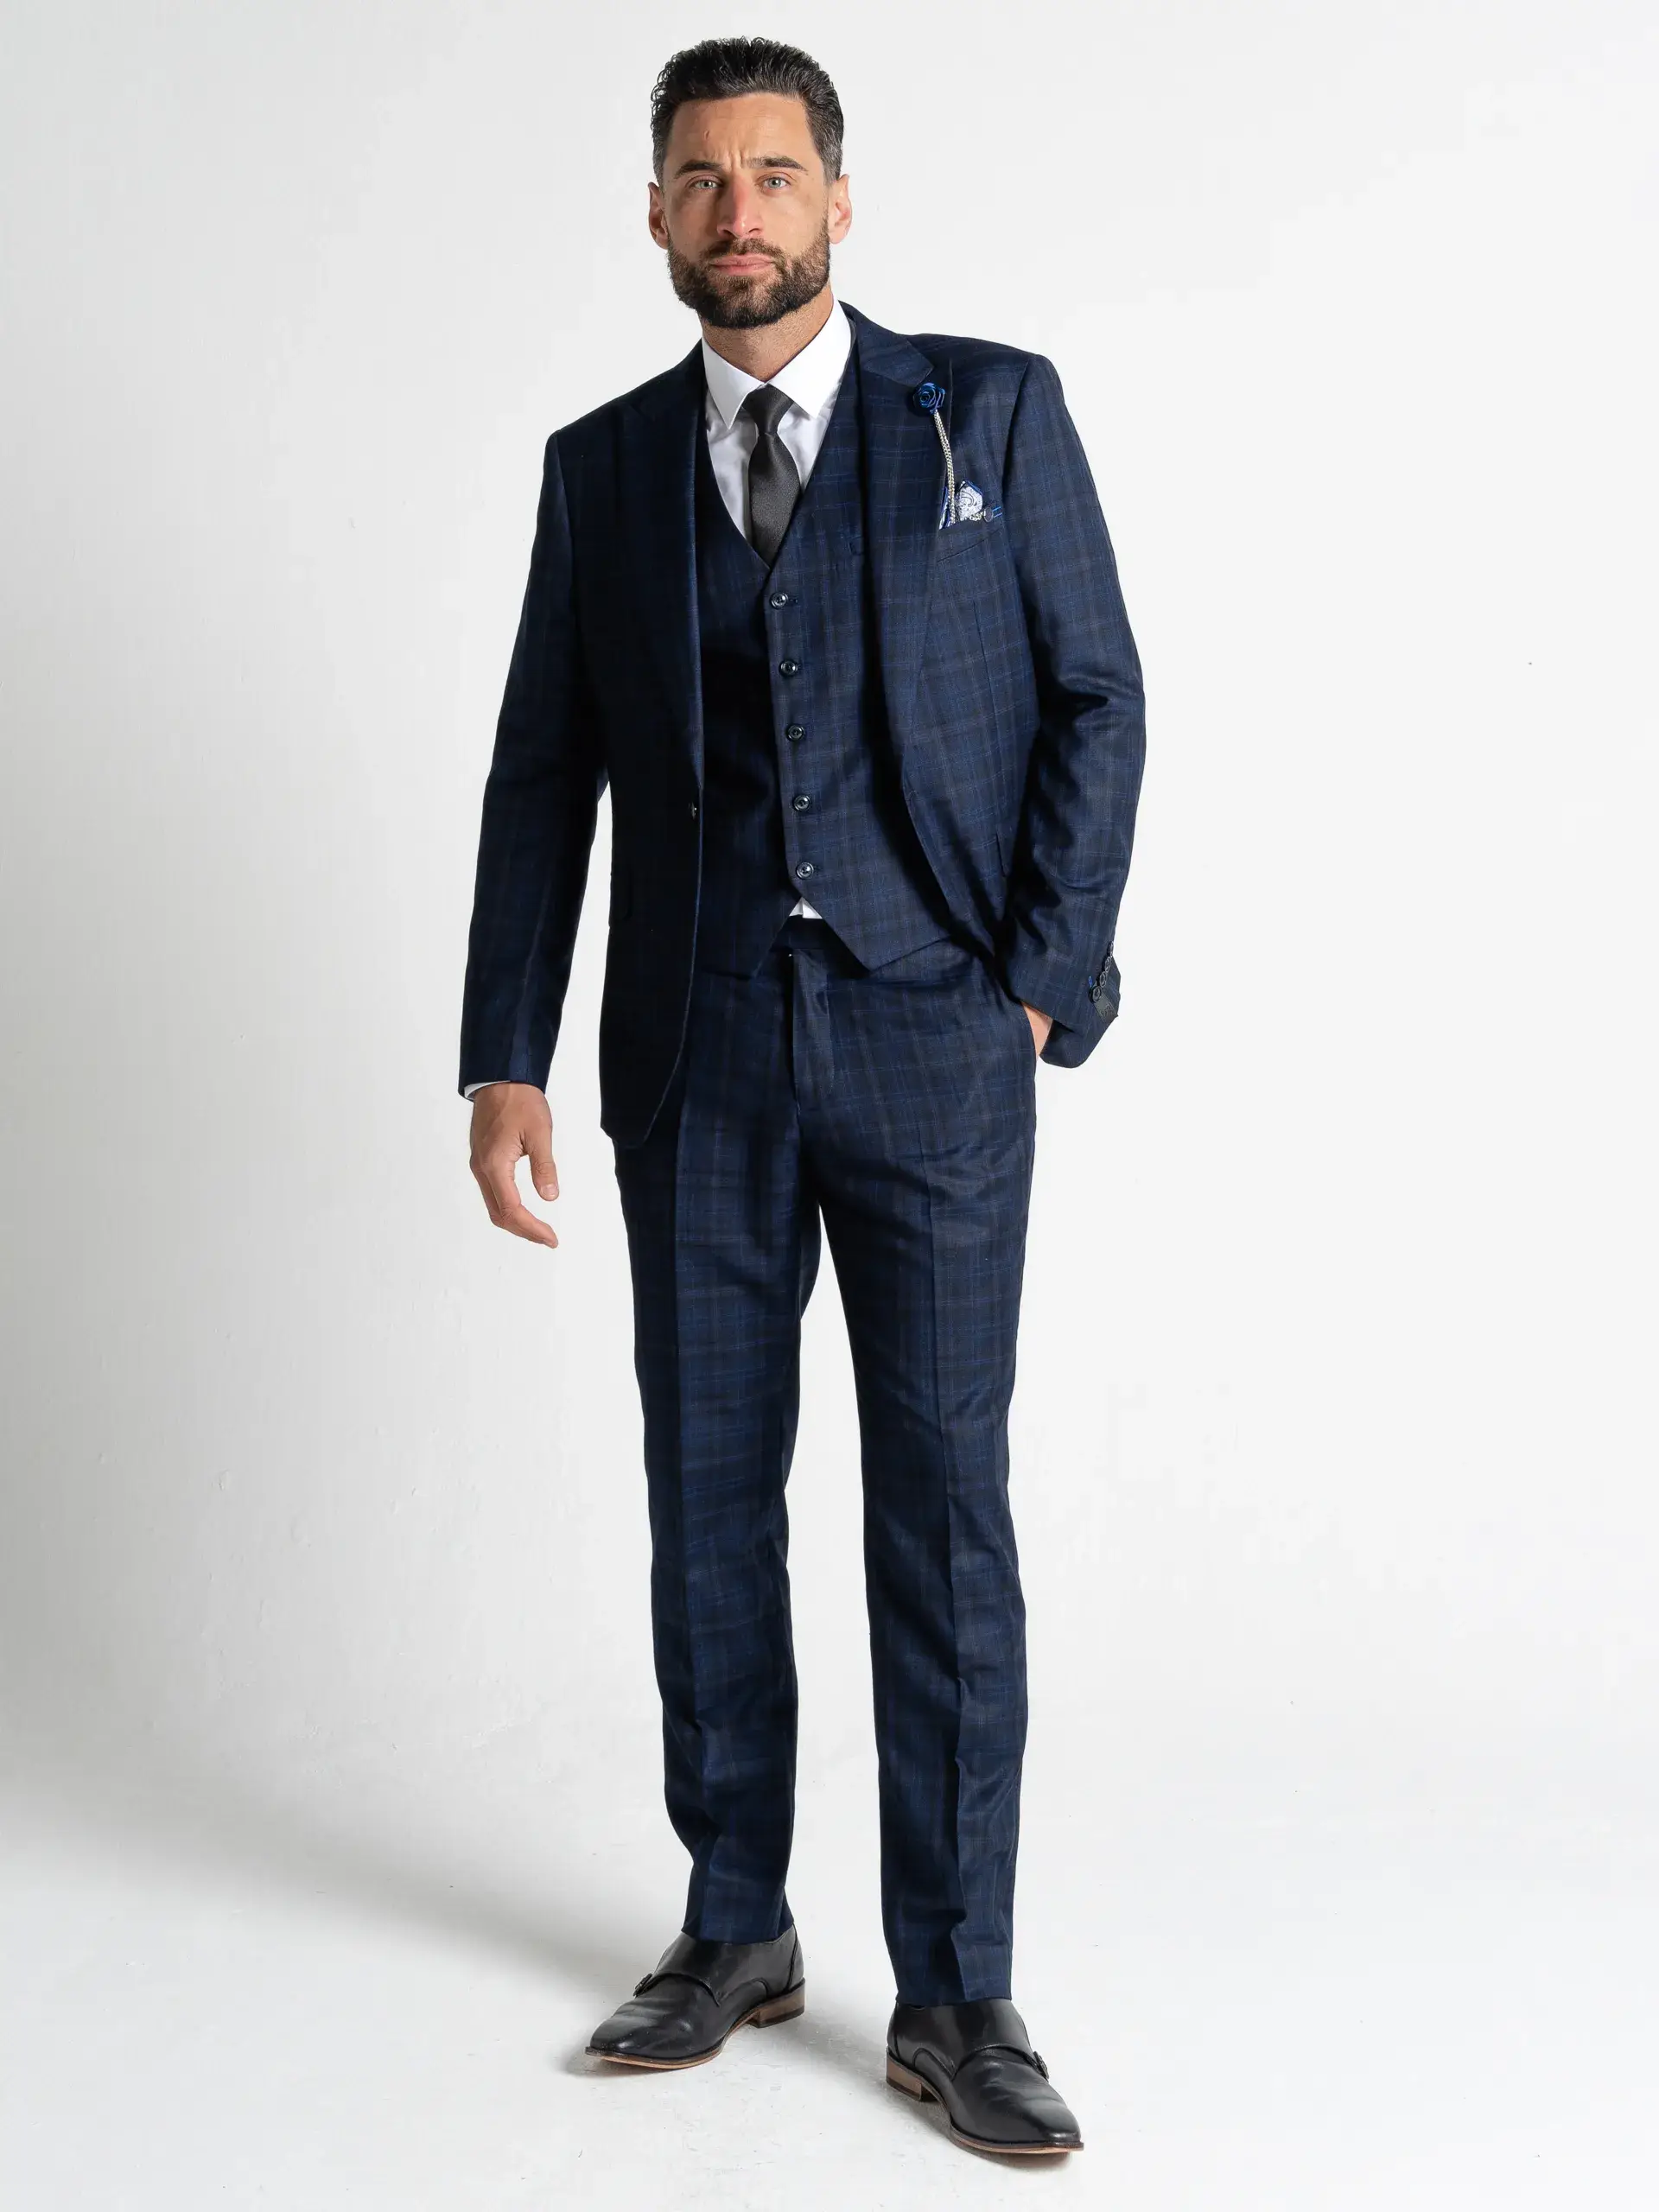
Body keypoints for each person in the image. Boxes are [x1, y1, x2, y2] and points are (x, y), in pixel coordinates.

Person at [457, 35, 1145, 2158]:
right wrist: (504, 1049)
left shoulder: (989, 412)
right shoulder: (600, 469)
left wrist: (1032, 987)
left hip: (939, 1042)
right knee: (707, 1499)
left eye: (772, 172)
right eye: (699, 177)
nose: (737, 209)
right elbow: (541, 773)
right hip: (700, 1057)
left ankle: (958, 1986)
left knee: (943, 1506)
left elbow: (1098, 695)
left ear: (840, 200)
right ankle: (736, 1919)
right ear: (658, 217)